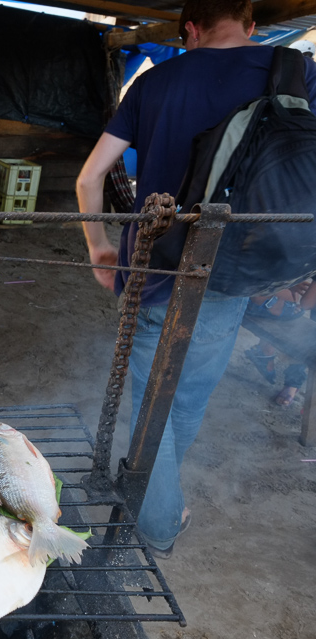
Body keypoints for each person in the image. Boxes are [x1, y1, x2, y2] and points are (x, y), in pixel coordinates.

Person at [76, 0, 316, 558]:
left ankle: (156, 520)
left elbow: (90, 178)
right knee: (186, 398)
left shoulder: (154, 82)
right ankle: (162, 499)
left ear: (189, 28)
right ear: (251, 24)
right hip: (234, 273)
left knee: (148, 397)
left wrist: (98, 248)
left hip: (153, 270)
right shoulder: (296, 72)